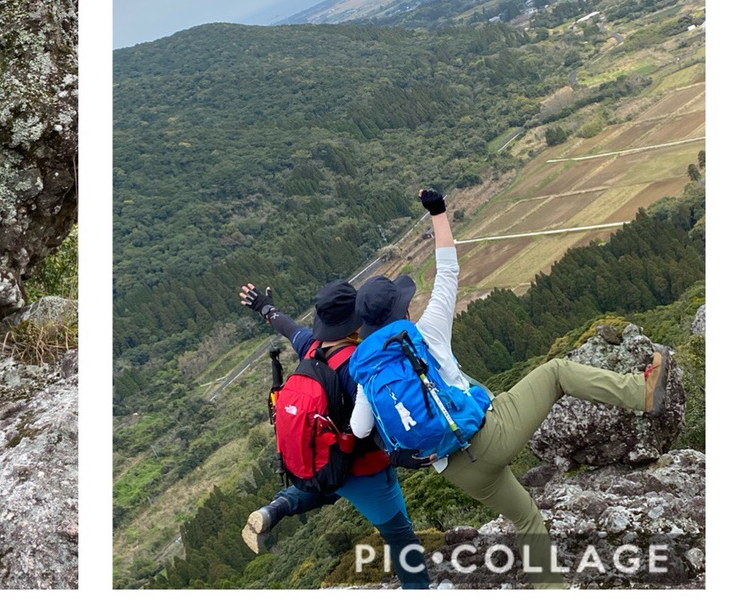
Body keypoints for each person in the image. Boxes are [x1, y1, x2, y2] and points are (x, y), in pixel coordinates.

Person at [349, 190, 672, 588]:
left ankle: (550, 592)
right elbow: (448, 271)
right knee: (556, 372)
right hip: (489, 436)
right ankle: (640, 393)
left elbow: (361, 429)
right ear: (402, 310)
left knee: (525, 518)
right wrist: (438, 213)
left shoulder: (368, 372)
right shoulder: (425, 332)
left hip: (455, 468)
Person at [239, 279, 429, 588]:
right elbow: (375, 426)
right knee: (402, 537)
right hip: (365, 470)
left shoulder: (310, 347)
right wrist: (401, 456)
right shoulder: (356, 367)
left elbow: (287, 327)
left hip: (326, 460)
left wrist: (263, 306)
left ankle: (276, 508)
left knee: (330, 486)